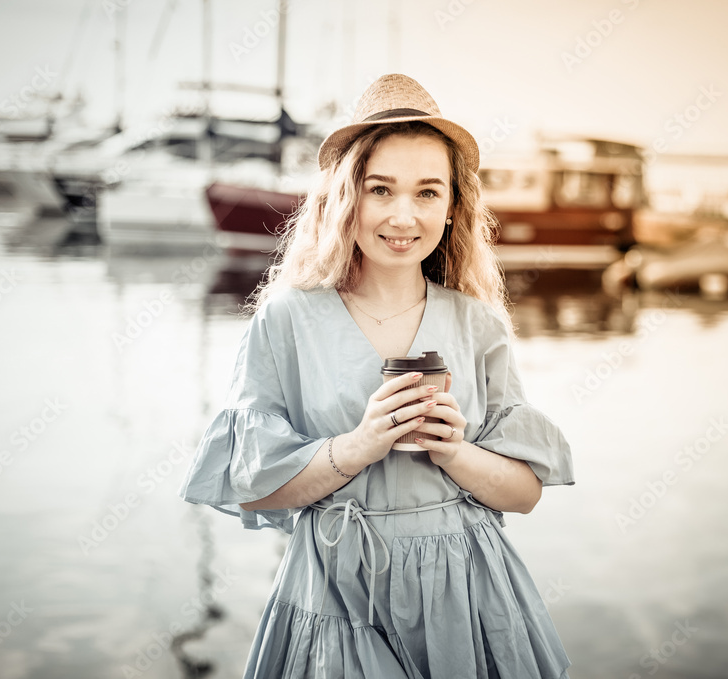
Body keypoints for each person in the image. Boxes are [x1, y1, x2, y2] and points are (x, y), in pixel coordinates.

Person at [178, 73, 574, 678]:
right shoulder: (288, 319)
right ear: (346, 196)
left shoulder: (477, 324)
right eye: (380, 189)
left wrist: (455, 451)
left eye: (427, 193)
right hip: (337, 590)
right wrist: (358, 447)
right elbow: (251, 488)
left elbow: (524, 493)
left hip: (465, 591)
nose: (402, 215)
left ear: (452, 207)